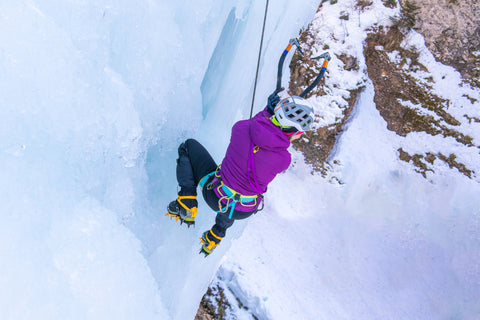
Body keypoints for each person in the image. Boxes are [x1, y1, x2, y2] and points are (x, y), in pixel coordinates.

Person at [166, 91, 315, 256]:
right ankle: (217, 233)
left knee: (188, 147)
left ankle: (187, 200)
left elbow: (255, 127)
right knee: (241, 189)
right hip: (243, 210)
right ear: (296, 133)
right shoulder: (284, 159)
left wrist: (267, 111)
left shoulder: (240, 128)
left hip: (215, 196)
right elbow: (269, 143)